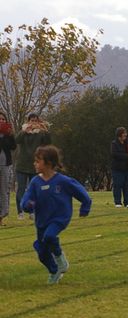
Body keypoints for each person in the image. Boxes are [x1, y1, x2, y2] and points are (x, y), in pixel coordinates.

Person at [20, 145, 92, 284]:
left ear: (48, 163)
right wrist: (28, 205)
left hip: (59, 217)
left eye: (37, 161)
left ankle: (60, 260)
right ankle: (54, 270)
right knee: (42, 252)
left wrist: (85, 208)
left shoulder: (62, 181)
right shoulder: (35, 182)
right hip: (42, 221)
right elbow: (26, 198)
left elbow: (82, 193)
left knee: (50, 236)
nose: (34, 164)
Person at [15, 113, 51, 219]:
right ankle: (20, 211)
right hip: (22, 165)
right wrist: (24, 131)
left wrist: (45, 131)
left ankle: (31, 211)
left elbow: (48, 143)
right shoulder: (24, 131)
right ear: (28, 121)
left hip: (35, 166)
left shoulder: (40, 133)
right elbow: (17, 140)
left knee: (33, 189)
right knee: (21, 189)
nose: (33, 123)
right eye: (31, 120)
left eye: (35, 120)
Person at [111, 127, 128, 208]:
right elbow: (115, 154)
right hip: (117, 169)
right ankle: (117, 202)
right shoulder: (114, 144)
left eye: (125, 133)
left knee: (127, 186)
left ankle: (127, 202)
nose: (125, 134)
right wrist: (126, 156)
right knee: (118, 185)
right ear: (119, 135)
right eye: (124, 133)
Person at [0, 112, 16, 226]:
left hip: (5, 164)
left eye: (3, 119)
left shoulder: (8, 134)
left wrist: (9, 135)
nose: (1, 121)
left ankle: (2, 215)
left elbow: (13, 147)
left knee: (4, 190)